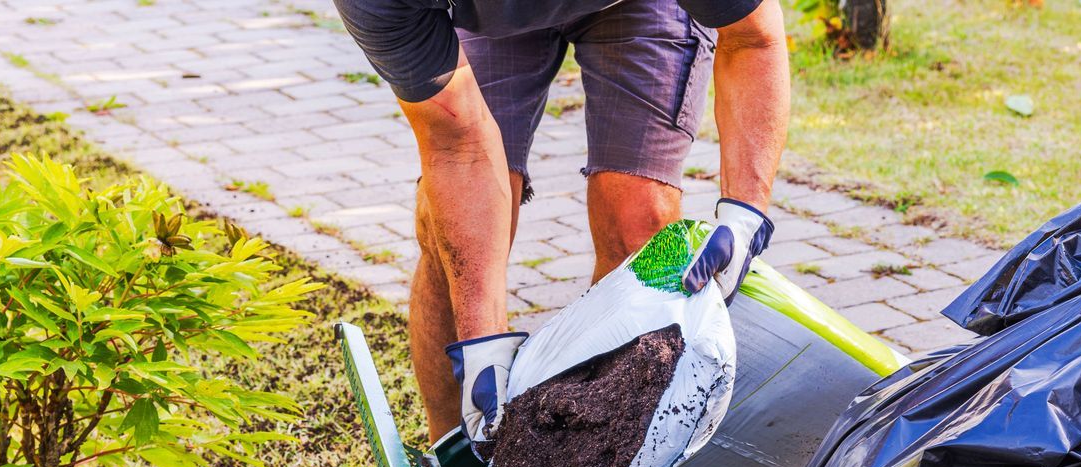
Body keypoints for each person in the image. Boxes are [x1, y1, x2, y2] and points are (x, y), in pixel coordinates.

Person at [331, 0, 791, 442]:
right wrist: (482, 342)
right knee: (452, 245)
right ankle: (454, 459)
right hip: (490, 16)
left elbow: (752, 38)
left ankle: (596, 463)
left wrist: (745, 212)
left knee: (639, 226)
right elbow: (459, 145)